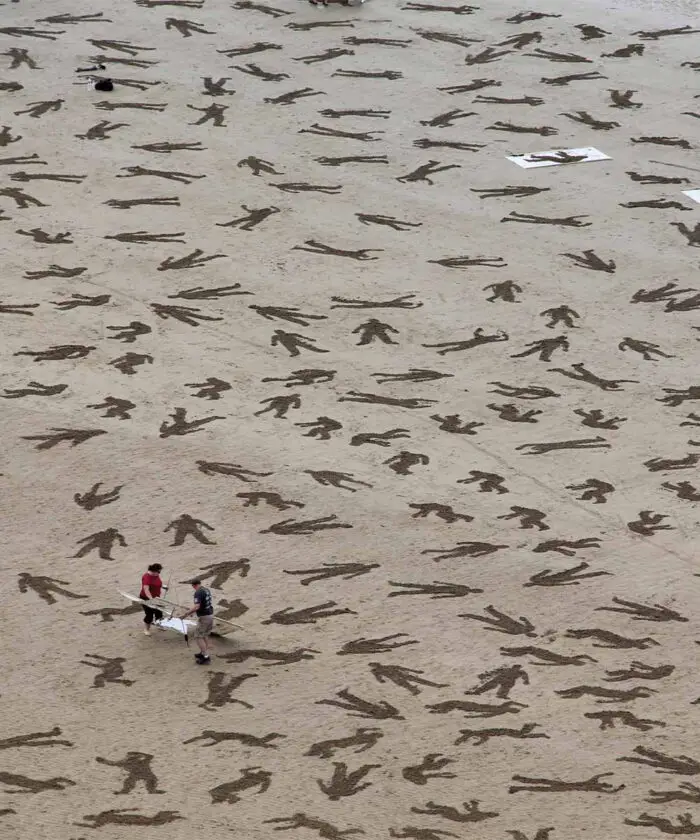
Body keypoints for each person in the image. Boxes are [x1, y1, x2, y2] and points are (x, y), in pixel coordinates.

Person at [182, 579, 214, 664]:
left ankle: (206, 657)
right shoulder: (206, 590)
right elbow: (203, 604)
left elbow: (197, 606)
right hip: (210, 615)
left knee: (198, 636)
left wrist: (187, 614)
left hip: (204, 618)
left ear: (193, 585)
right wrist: (193, 612)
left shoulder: (198, 592)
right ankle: (203, 652)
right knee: (204, 635)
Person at [139, 563, 166, 636]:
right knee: (149, 614)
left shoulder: (156, 575)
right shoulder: (147, 577)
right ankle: (146, 629)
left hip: (156, 597)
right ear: (154, 571)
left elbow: (157, 584)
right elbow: (146, 590)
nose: (159, 573)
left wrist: (163, 586)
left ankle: (158, 624)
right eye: (158, 572)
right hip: (146, 599)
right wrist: (151, 600)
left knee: (159, 613)